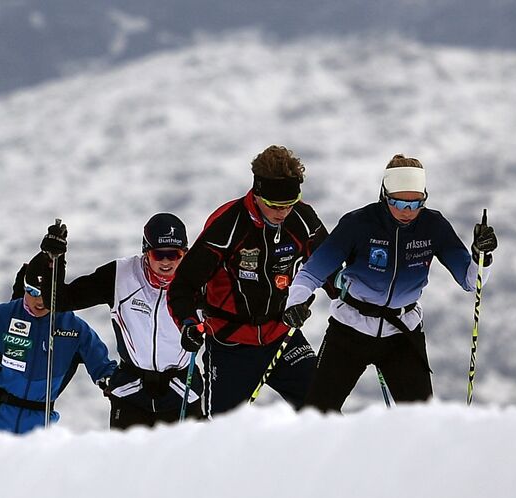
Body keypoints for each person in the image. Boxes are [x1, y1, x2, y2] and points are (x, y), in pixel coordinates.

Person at [290, 154, 498, 409]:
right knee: (319, 413)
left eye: (416, 204)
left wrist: (482, 255)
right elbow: (312, 273)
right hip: (349, 330)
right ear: (384, 194)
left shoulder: (434, 226)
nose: (407, 212)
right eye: (398, 203)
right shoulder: (358, 223)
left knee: (420, 420)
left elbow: (470, 281)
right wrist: (295, 303)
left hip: (402, 333)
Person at [167, 144, 328, 417]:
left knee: (326, 410)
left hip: (283, 334)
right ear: (257, 192)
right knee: (222, 432)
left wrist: (319, 299)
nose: (282, 213)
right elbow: (183, 287)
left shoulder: (302, 218)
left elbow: (329, 268)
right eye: (275, 205)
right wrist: (189, 325)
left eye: (289, 204)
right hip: (231, 343)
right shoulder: (227, 225)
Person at [0, 235, 116, 435]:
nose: (39, 300)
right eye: (33, 291)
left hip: (40, 427)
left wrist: (109, 380)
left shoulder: (74, 328)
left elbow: (103, 366)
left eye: (45, 293)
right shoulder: (1, 316)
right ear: (24, 287)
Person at [50, 213, 202, 428]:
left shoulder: (200, 279)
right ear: (146, 251)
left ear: (185, 253)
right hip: (132, 393)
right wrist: (52, 258)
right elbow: (60, 300)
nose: (167, 262)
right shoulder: (120, 275)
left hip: (182, 391)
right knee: (127, 461)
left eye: (174, 254)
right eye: (159, 254)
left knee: (185, 462)